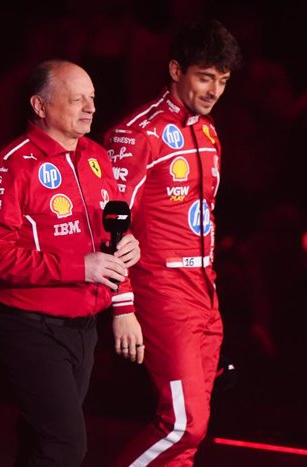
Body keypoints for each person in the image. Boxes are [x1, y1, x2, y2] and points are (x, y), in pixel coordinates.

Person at [0, 59, 144, 467]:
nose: (90, 108)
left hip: (84, 328)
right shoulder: (9, 165)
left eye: (92, 99)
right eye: (76, 99)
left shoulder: (98, 157)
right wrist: (79, 266)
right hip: (29, 327)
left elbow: (113, 238)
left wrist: (124, 305)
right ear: (40, 105)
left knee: (40, 443)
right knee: (66, 446)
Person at [102, 18, 242, 466]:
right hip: (161, 289)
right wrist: (123, 306)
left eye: (222, 80)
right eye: (204, 77)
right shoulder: (137, 133)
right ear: (176, 69)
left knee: (189, 439)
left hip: (205, 291)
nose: (214, 90)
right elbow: (109, 223)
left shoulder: (208, 131)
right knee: (184, 423)